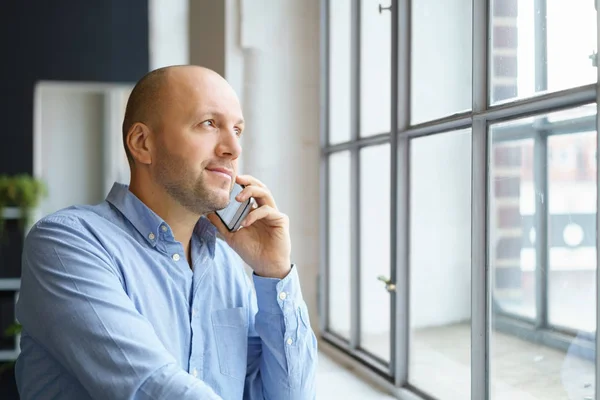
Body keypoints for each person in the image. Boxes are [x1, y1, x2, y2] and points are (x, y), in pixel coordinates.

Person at [15, 65, 318, 399]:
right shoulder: (66, 244)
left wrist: (274, 270)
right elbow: (152, 388)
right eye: (209, 123)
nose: (233, 148)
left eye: (238, 130)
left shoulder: (229, 269)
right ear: (142, 143)